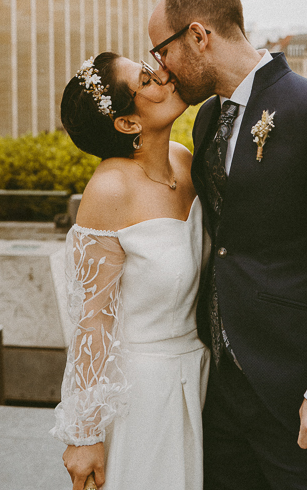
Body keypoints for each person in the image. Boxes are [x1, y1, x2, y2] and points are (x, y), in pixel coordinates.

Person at [148, 0, 307, 490]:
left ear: (198, 36)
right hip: (224, 398)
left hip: (304, 399)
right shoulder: (208, 118)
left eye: (161, 50)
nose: (159, 68)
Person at [51, 52, 209, 490]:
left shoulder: (185, 161)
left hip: (202, 375)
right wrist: (84, 433)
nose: (162, 74)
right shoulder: (109, 189)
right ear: (127, 124)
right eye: (146, 78)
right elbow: (92, 320)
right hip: (143, 392)